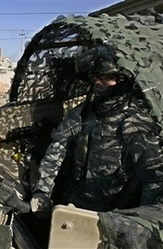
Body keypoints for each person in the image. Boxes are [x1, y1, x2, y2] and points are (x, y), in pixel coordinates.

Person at [30, 46, 163, 217]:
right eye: (96, 78)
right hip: (73, 203)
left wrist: (139, 223)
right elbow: (56, 150)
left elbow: (152, 180)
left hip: (114, 215)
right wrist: (42, 190)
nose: (98, 83)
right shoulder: (81, 113)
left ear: (122, 81)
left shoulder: (136, 122)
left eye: (106, 78)